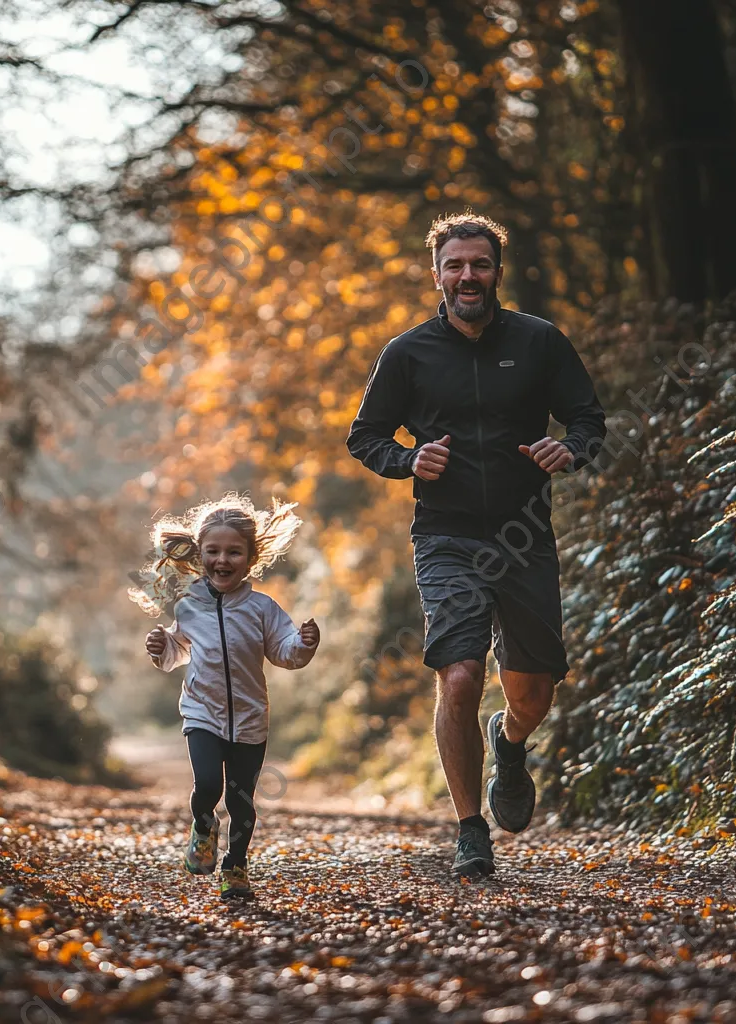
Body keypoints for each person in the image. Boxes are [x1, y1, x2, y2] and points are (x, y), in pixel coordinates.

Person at [346, 212, 607, 879]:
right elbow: (365, 436)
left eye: (480, 264)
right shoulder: (408, 353)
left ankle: (509, 741)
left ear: (496, 271)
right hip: (446, 535)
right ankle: (470, 829)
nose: (468, 276)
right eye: (455, 265)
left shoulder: (540, 341)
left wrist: (570, 447)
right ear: (437, 274)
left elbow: (588, 418)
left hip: (524, 535)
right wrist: (408, 462)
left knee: (534, 690)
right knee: (459, 672)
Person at [129, 493, 320, 900]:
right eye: (213, 551)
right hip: (201, 712)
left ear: (250, 559)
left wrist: (303, 644)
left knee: (242, 801)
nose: (223, 560)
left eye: (234, 552)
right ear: (200, 555)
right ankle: (203, 826)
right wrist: (161, 647)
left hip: (250, 720)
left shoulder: (262, 608)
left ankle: (235, 867)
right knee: (208, 785)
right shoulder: (189, 605)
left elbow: (283, 651)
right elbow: (178, 650)